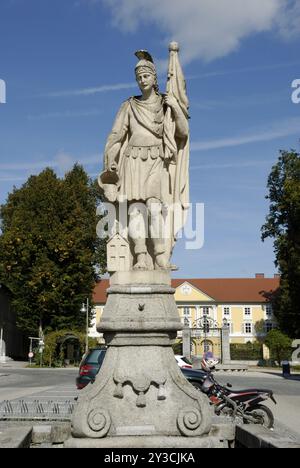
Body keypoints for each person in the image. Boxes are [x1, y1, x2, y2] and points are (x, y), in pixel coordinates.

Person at [101, 48, 189, 271]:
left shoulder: (164, 104)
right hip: (132, 161)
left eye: (146, 76)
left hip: (155, 160)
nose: (142, 80)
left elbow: (183, 133)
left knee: (154, 208)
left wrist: (176, 108)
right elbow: (116, 135)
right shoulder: (129, 105)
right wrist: (111, 159)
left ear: (154, 77)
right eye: (138, 77)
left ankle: (160, 256)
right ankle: (140, 256)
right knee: (135, 211)